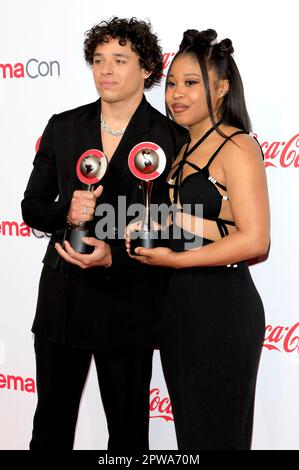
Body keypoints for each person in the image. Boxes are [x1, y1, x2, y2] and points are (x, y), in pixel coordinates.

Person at [21, 17, 187, 451]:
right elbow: (32, 208)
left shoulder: (172, 137)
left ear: (148, 68)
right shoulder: (63, 126)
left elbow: (179, 226)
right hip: (63, 299)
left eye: (120, 59)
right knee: (50, 428)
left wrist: (116, 255)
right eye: (98, 60)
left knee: (129, 436)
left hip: (129, 300)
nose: (106, 70)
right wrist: (65, 213)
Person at [127, 28, 270, 449]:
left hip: (221, 310)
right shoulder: (180, 150)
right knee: (191, 437)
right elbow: (210, 226)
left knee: (218, 436)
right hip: (178, 311)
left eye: (191, 83)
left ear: (222, 88)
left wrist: (176, 260)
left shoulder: (237, 146)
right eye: (172, 84)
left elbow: (255, 241)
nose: (177, 94)